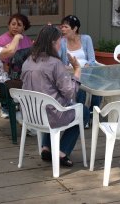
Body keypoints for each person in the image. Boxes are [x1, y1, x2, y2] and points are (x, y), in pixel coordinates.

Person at [21, 25, 90, 167]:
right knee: (83, 111)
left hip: (31, 114)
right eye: (60, 41)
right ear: (53, 43)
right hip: (51, 116)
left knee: (49, 103)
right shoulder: (55, 63)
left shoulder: (28, 61)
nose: (61, 44)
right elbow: (70, 92)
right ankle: (62, 152)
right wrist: (77, 70)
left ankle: (46, 148)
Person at [59, 15, 102, 119]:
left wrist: (88, 65)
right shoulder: (61, 41)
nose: (63, 29)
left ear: (75, 28)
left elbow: (92, 59)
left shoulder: (86, 39)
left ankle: (92, 114)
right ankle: (81, 115)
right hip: (71, 73)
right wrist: (68, 68)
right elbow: (59, 61)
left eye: (66, 27)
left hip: (87, 71)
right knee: (80, 86)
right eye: (62, 27)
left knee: (98, 86)